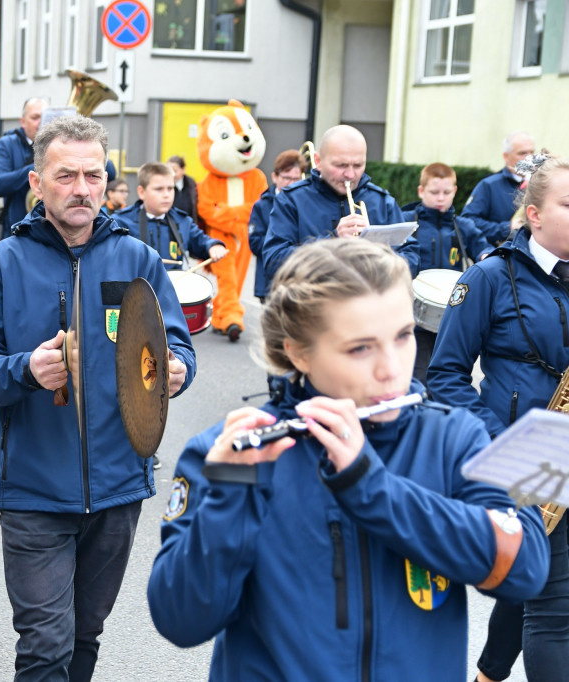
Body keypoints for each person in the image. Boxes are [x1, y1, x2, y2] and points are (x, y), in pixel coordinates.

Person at [148, 238, 550, 681]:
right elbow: (181, 620)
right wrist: (228, 497)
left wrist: (372, 489)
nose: (392, 369)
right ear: (298, 352)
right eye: (360, 348)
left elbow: (526, 569)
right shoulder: (226, 452)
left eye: (403, 336)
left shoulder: (455, 437)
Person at [0, 116, 197, 681]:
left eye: (94, 174)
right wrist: (26, 370)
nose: (83, 188)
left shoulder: (138, 260)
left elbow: (176, 340)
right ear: (37, 184)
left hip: (118, 487)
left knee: (85, 636)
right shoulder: (0, 267)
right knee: (45, 646)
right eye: (66, 176)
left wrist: (180, 367)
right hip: (34, 491)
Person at [428, 155, 569, 682]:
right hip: (530, 462)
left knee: (539, 582)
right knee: (555, 606)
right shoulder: (488, 276)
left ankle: (487, 674)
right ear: (533, 214)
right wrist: (501, 441)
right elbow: (444, 376)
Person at [262, 124, 419, 285]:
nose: (350, 175)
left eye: (358, 165)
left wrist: (380, 254)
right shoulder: (291, 199)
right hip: (310, 306)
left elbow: (412, 259)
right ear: (318, 161)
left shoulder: (382, 201)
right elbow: (273, 263)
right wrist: (332, 241)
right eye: (341, 165)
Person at [402, 162, 492, 383]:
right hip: (412, 313)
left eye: (446, 192)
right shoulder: (406, 222)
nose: (440, 198)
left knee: (451, 371)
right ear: (421, 191)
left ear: (455, 191)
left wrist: (487, 255)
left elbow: (483, 248)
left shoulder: (463, 227)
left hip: (451, 313)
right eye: (434, 192)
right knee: (419, 372)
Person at [112, 161, 227, 270]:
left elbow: (201, 241)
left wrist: (213, 246)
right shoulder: (121, 222)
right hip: (136, 288)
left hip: (173, 286)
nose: (166, 195)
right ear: (142, 192)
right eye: (159, 189)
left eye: (170, 188)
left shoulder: (182, 221)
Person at [248, 149, 305, 303]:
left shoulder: (306, 203)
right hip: (271, 281)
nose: (292, 183)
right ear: (275, 177)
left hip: (301, 281)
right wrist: (279, 245)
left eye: (297, 178)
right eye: (287, 178)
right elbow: (254, 242)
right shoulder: (262, 205)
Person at [463, 131, 536, 246]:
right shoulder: (488, 185)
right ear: (506, 156)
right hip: (502, 258)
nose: (529, 158)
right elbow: (467, 222)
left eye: (532, 152)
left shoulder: (540, 184)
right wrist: (507, 228)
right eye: (522, 153)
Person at [0, 97, 46, 242]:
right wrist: (40, 165)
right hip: (18, 232)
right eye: (35, 117)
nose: (41, 122)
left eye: (45, 117)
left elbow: (110, 170)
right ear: (22, 121)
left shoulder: (62, 145)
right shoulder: (7, 143)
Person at [167, 155, 199, 224]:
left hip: (188, 223)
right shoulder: (165, 185)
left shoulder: (191, 183)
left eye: (175, 171)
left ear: (183, 170)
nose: (172, 174)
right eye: (169, 171)